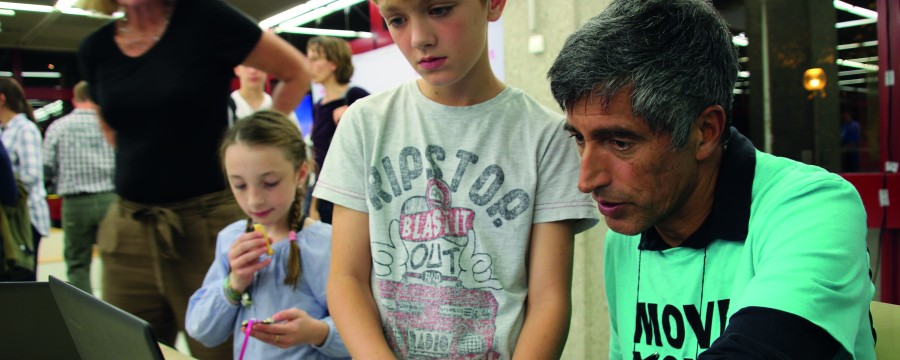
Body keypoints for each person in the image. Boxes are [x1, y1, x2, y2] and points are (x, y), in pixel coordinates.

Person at [547, 1, 876, 359]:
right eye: (580, 138)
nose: (587, 180)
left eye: (620, 142)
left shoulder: (815, 208)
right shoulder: (630, 232)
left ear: (704, 132)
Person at [313, 0, 598, 358]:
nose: (419, 38)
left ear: (493, 4)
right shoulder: (365, 124)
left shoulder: (545, 137)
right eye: (397, 20)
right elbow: (346, 279)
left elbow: (549, 299)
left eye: (440, 9)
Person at [77, 0, 309, 357]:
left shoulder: (205, 19)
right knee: (124, 346)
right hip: (130, 226)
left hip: (207, 223)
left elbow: (296, 71)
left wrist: (255, 143)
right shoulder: (95, 47)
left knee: (217, 344)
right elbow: (111, 127)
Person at [185, 111, 349, 359]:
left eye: (270, 182)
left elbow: (363, 336)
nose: (254, 200)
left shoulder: (327, 244)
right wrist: (234, 284)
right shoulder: (231, 240)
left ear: (301, 174)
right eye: (239, 185)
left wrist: (318, 332)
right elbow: (203, 331)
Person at [42, 81, 115, 294]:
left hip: (75, 203)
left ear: (74, 99)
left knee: (77, 263)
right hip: (110, 200)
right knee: (115, 259)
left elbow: (47, 167)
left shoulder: (59, 127)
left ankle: (86, 317)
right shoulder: (110, 125)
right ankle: (118, 314)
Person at [306, 36, 369, 224]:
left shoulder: (356, 97)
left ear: (333, 63)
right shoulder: (318, 106)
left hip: (355, 193)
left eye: (315, 59)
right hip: (328, 195)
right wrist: (314, 203)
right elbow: (322, 160)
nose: (309, 66)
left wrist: (354, 117)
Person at [0, 77, 49, 281]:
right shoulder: (5, 129)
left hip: (26, 218)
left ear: (1, 98)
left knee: (21, 282)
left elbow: (31, 174)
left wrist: (7, 180)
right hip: (9, 218)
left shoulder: (25, 129)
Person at [229, 65, 299, 126]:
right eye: (247, 65)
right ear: (237, 69)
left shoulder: (281, 109)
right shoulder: (227, 108)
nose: (253, 71)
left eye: (258, 64)